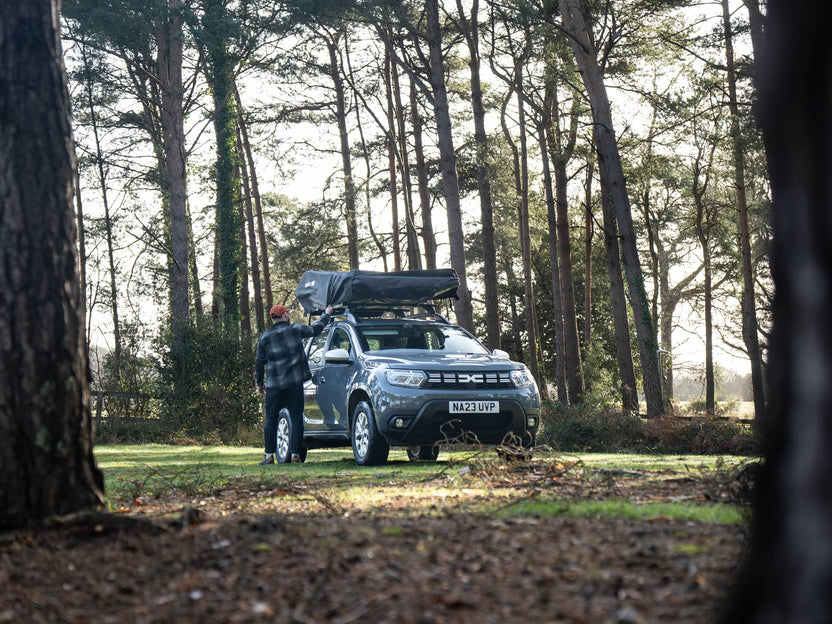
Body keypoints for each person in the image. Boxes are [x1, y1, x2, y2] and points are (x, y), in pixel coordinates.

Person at [255, 303, 334, 464]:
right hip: (294, 384)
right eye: (287, 314)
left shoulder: (264, 338)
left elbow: (259, 363)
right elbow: (315, 329)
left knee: (271, 419)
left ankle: (269, 456)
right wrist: (327, 314)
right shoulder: (295, 330)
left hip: (274, 386)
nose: (288, 316)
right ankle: (295, 455)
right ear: (284, 316)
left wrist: (259, 384)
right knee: (297, 418)